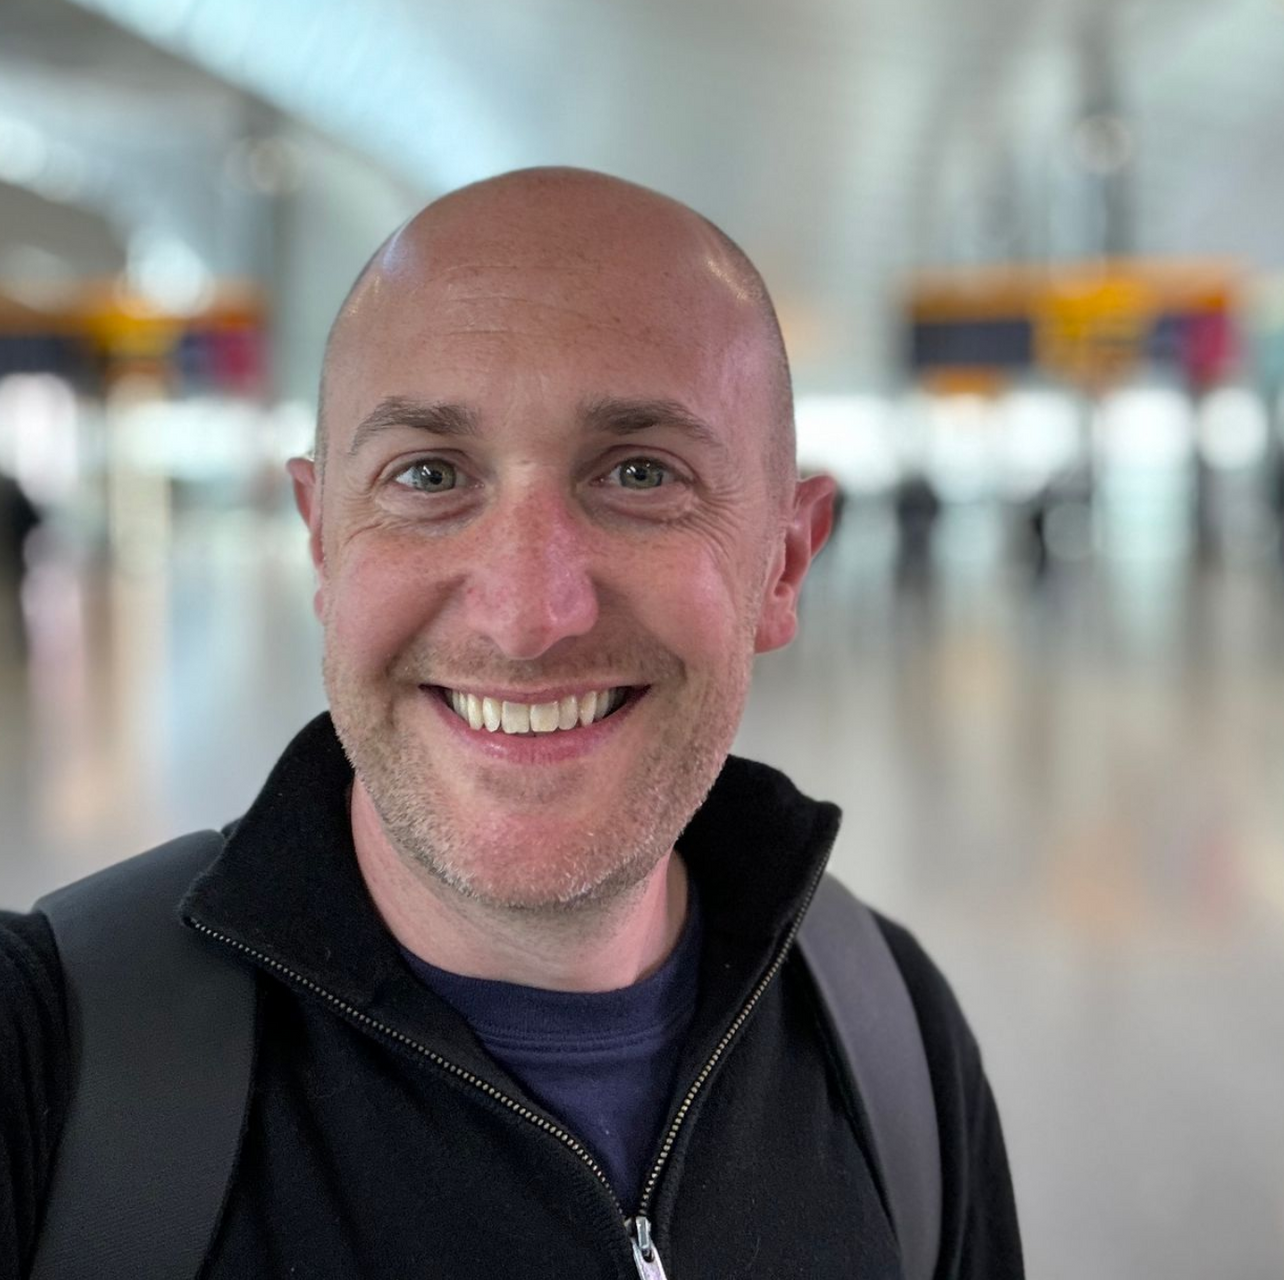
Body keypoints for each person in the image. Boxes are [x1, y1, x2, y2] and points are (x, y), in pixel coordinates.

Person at [0, 168, 1022, 1278]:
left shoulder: (890, 1038)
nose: (529, 617)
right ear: (324, 542)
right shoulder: (46, 1054)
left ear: (782, 562)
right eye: (429, 474)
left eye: (641, 473)